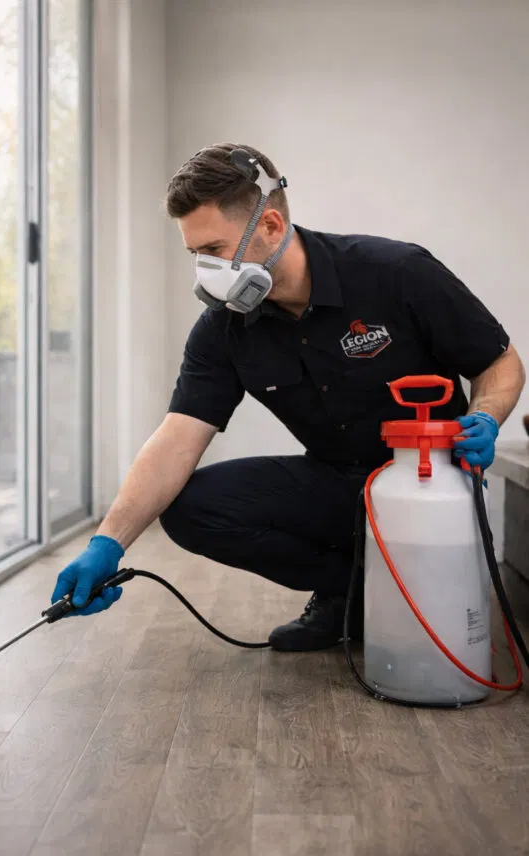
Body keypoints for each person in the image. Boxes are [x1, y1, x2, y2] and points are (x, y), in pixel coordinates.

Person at [52, 143, 526, 651]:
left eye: (213, 250)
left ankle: (401, 589)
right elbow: (177, 440)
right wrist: (108, 542)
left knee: (449, 624)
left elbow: (499, 362)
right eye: (194, 255)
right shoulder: (223, 330)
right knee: (191, 508)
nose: (204, 271)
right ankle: (350, 592)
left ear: (272, 227)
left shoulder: (396, 272)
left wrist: (485, 417)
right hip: (337, 487)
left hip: (429, 487)